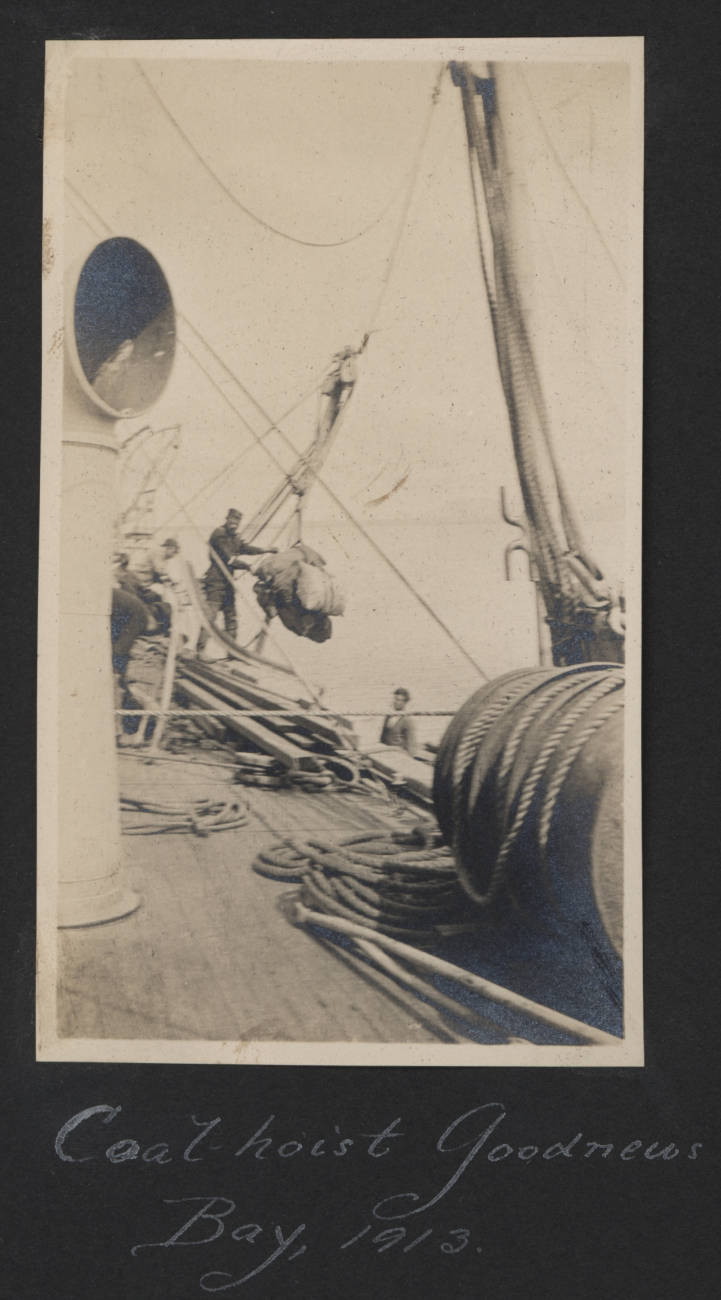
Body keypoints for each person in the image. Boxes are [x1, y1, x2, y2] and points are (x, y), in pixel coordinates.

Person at [197, 509, 276, 651]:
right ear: (227, 519)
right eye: (232, 522)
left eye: (237, 523)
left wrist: (266, 550)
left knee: (231, 617)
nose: (234, 525)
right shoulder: (219, 534)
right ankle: (200, 650)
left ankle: (231, 651)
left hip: (228, 583)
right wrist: (248, 567)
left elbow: (245, 548)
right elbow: (229, 559)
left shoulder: (234, 537)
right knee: (211, 616)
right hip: (215, 582)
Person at [380, 687, 419, 758]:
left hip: (399, 754)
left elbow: (411, 744)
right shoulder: (388, 716)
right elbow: (382, 737)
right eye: (395, 699)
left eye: (399, 700)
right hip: (386, 753)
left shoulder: (407, 720)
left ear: (405, 702)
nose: (395, 702)